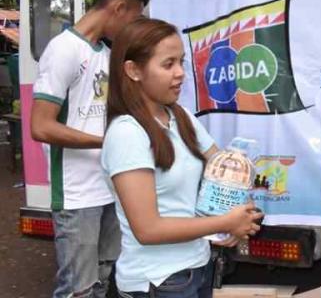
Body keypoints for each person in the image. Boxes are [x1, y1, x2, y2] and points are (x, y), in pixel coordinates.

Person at [101, 18, 264, 298]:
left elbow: (222, 169)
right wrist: (225, 223)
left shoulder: (180, 116)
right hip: (158, 281)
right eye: (168, 64)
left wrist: (241, 208)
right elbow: (148, 229)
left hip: (197, 268)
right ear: (133, 70)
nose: (180, 73)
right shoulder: (127, 134)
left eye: (181, 62)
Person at [30, 0, 149, 298]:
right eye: (135, 17)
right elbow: (40, 126)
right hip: (77, 194)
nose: (132, 28)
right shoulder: (64, 49)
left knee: (102, 278)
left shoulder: (106, 55)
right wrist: (106, 141)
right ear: (119, 8)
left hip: (109, 188)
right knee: (78, 290)